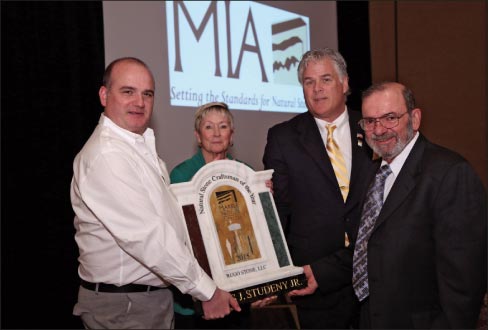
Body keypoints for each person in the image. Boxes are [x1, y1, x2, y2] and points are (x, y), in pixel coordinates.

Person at [70, 57, 240, 329]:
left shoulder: (137, 148)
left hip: (145, 301)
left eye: (147, 94)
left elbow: (172, 223)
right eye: (128, 92)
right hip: (126, 306)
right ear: (104, 95)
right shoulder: (108, 155)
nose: (139, 102)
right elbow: (148, 237)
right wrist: (207, 291)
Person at [352, 81, 487, 328]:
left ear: (415, 118)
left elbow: (465, 284)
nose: (379, 130)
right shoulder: (371, 175)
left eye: (390, 117)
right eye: (370, 121)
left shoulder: (450, 173)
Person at [262, 47, 376, 328]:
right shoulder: (283, 137)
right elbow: (279, 213)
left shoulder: (373, 128)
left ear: (345, 83)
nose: (317, 89)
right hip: (316, 283)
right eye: (308, 82)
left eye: (325, 79)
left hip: (375, 276)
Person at [170, 101, 275, 329]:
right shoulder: (181, 176)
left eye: (223, 126)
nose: (216, 134)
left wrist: (266, 203)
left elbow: (258, 234)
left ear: (232, 134)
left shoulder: (247, 174)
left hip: (239, 295)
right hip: (195, 302)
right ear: (198, 136)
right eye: (209, 127)